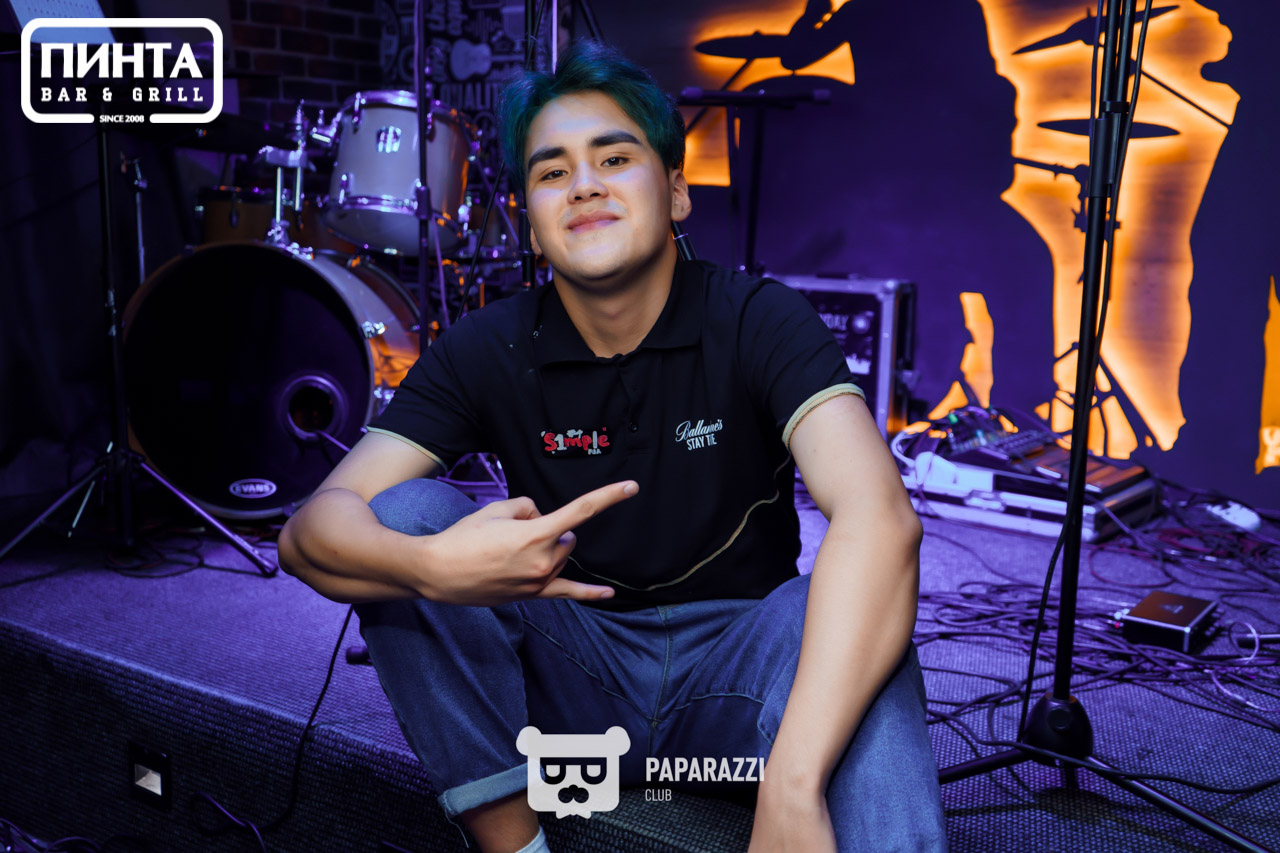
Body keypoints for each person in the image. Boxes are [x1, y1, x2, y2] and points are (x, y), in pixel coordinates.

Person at [278, 39, 947, 853]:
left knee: (859, 608)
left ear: (677, 191)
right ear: (530, 222)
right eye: (552, 171)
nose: (584, 184)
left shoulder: (760, 317)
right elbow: (311, 531)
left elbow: (881, 520)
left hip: (740, 707)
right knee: (407, 517)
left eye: (615, 158)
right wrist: (431, 567)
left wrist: (793, 782)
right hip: (567, 716)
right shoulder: (488, 346)